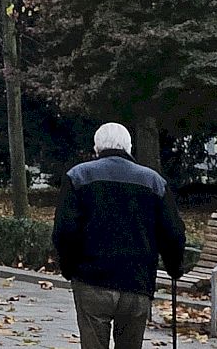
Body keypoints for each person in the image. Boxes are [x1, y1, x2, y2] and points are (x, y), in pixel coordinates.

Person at [53, 122, 186, 349]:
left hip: (92, 281)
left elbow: (64, 230)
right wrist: (175, 267)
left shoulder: (78, 176)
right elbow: (174, 233)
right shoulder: (153, 181)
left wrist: (68, 268)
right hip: (137, 282)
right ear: (129, 148)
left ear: (97, 148)